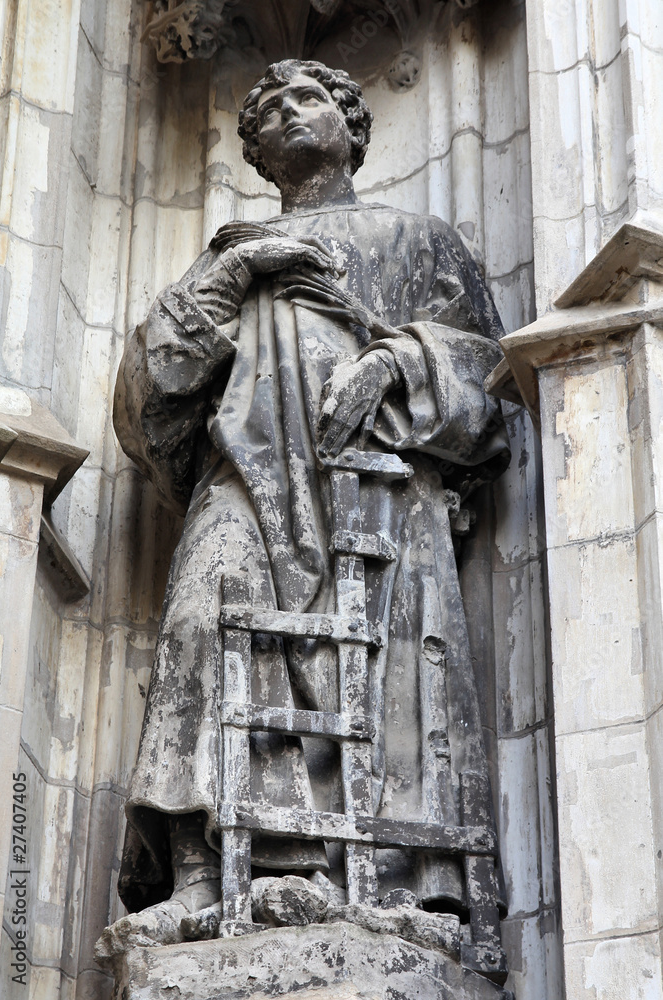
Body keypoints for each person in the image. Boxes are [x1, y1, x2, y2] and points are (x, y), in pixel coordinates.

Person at [104, 58, 510, 953]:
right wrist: (235, 270)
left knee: (390, 667)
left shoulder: (416, 239)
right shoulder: (229, 256)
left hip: (375, 488)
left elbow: (493, 386)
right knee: (201, 622)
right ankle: (206, 876)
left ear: (352, 123)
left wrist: (396, 360)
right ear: (251, 151)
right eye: (270, 108)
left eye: (311, 98)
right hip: (246, 482)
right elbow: (147, 406)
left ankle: (396, 888)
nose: (291, 112)